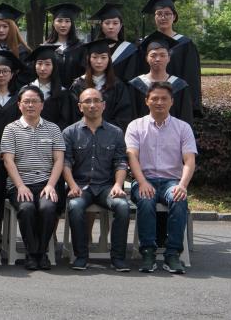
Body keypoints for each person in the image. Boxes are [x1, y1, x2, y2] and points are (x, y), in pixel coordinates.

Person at [125, 81, 198, 274]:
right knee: (146, 199)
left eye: (164, 98)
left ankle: (172, 254)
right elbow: (132, 157)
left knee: (178, 198)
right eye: (155, 98)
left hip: (171, 182)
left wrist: (182, 185)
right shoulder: (135, 126)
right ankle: (148, 252)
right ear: (146, 101)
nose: (159, 102)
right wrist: (142, 182)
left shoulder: (183, 128)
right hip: (144, 179)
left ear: (172, 101)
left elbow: (189, 160)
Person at [62, 87, 131, 271]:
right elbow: (65, 163)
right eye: (87, 101)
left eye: (96, 101)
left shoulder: (116, 132)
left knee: (122, 206)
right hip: (80, 186)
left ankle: (118, 258)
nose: (92, 105)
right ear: (80, 106)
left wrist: (118, 185)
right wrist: (72, 185)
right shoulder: (69, 132)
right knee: (75, 206)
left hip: (106, 187)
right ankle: (81, 256)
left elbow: (121, 162)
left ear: (103, 105)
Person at [0, 85, 65, 271]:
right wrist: (20, 186)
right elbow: (8, 161)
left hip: (45, 183)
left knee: (48, 207)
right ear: (19, 105)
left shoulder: (53, 129)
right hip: (19, 184)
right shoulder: (10, 129)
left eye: (34, 101)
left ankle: (41, 253)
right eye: (26, 101)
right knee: (26, 208)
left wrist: (51, 185)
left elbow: (59, 160)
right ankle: (31, 253)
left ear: (42, 105)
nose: (30, 105)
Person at [138, 0, 202, 123]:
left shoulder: (185, 44)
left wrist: (191, 104)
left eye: (167, 14)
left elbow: (191, 76)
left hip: (177, 100)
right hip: (149, 102)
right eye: (159, 14)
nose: (163, 17)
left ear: (174, 17)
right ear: (154, 17)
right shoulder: (145, 44)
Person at [130, 32, 196, 124]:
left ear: (169, 58)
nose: (158, 59)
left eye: (162, 55)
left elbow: (185, 117)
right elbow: (131, 117)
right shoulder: (135, 85)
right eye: (153, 55)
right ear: (146, 58)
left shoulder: (180, 86)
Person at [69, 39, 134, 131]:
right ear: (89, 59)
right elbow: (73, 115)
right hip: (83, 133)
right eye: (95, 57)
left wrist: (104, 131)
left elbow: (123, 115)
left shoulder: (118, 85)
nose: (99, 61)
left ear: (109, 59)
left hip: (110, 134)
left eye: (103, 57)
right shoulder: (78, 85)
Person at [26, 44, 78, 130]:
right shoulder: (26, 91)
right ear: (34, 65)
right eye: (39, 63)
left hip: (55, 136)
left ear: (54, 66)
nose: (43, 68)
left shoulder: (63, 93)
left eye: (47, 64)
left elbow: (66, 121)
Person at [88, 3, 138, 82]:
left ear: (120, 26)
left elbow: (130, 78)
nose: (111, 27)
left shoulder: (129, 50)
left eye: (115, 23)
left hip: (121, 89)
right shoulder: (92, 48)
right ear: (101, 25)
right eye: (107, 23)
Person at [0, 3, 31, 85]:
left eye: (5, 26)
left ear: (12, 28)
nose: (1, 30)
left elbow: (27, 76)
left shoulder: (23, 51)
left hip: (16, 91)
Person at [45, 3, 85, 88]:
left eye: (67, 21)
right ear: (53, 23)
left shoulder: (81, 47)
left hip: (75, 93)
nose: (63, 25)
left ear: (72, 24)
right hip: (51, 92)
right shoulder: (46, 47)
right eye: (59, 21)